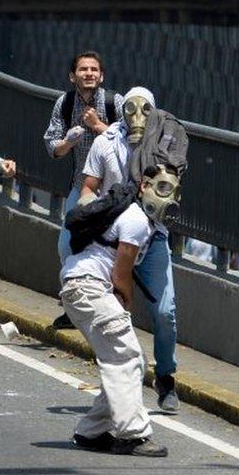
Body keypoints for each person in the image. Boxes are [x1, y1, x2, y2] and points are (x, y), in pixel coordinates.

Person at [77, 86, 181, 413]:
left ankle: (165, 377)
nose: (138, 116)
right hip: (111, 239)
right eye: (131, 108)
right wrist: (93, 212)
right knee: (114, 310)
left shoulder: (165, 146)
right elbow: (88, 189)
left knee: (165, 311)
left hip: (150, 236)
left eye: (146, 109)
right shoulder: (105, 143)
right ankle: (120, 381)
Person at [60, 165, 175, 458]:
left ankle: (91, 431)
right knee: (124, 357)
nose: (167, 196)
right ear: (144, 186)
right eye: (161, 188)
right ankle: (133, 435)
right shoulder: (136, 219)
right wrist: (127, 305)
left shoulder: (137, 217)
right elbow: (121, 274)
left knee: (132, 359)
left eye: (172, 190)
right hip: (89, 287)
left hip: (83, 287)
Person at [43, 51, 124, 328]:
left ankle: (110, 312)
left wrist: (98, 126)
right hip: (81, 186)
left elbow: (130, 143)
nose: (88, 73)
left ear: (101, 76)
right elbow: (52, 146)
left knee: (110, 253)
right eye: (82, 69)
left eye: (93, 70)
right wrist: (67, 142)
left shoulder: (116, 103)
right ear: (72, 76)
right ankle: (72, 308)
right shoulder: (65, 104)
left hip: (114, 194)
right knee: (67, 247)